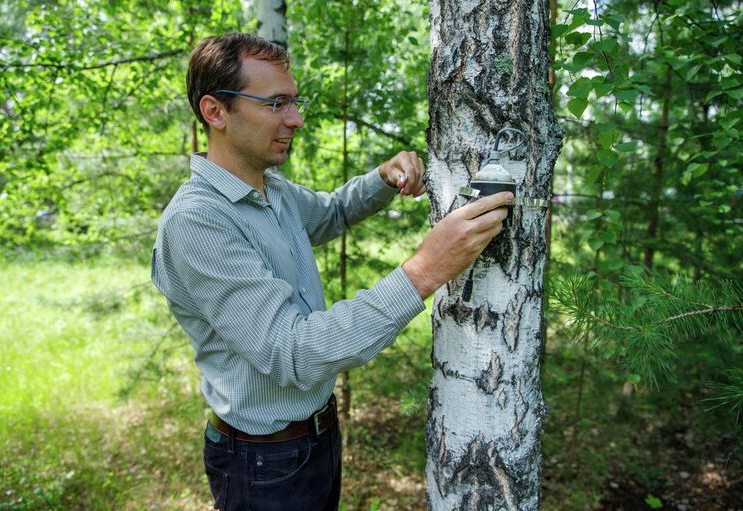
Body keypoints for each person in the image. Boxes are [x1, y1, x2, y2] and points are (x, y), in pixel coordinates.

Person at [150, 32, 512, 511]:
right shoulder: (198, 220)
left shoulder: (267, 188)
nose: (295, 119)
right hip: (264, 465)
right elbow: (295, 352)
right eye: (276, 103)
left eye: (295, 102)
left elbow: (330, 213)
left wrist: (382, 180)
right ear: (215, 112)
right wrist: (425, 270)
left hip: (315, 439)